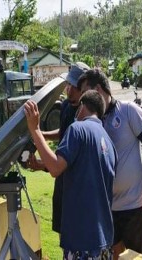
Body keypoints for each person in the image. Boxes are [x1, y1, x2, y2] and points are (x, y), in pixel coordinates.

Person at [24, 90, 117, 259]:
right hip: (103, 240)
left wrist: (35, 129)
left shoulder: (77, 129)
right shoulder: (108, 141)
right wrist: (40, 165)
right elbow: (82, 169)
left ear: (81, 107)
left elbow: (56, 168)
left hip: (82, 241)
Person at [78, 69, 142, 258]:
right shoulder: (93, 122)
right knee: (111, 254)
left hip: (134, 206)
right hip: (107, 209)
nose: (84, 101)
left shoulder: (129, 111)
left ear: (98, 89)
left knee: (133, 256)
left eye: (86, 94)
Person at [27, 62, 89, 235]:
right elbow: (64, 133)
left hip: (77, 189)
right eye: (68, 84)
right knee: (64, 236)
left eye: (74, 87)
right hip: (62, 184)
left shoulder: (87, 117)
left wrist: (37, 131)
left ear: (85, 88)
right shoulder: (67, 107)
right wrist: (44, 135)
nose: (69, 90)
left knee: (75, 236)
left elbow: (64, 162)